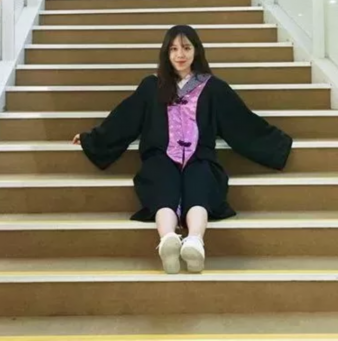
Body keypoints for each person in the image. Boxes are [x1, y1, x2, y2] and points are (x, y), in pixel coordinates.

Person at [72, 24, 292, 274]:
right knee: (163, 188)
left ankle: (195, 241)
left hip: (200, 157)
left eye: (186, 48)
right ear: (166, 53)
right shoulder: (152, 86)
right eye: (174, 49)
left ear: (196, 51)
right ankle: (168, 239)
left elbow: (241, 122)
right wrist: (93, 139)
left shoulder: (213, 87)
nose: (180, 55)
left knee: (200, 187)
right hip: (160, 156)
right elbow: (125, 119)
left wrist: (277, 144)